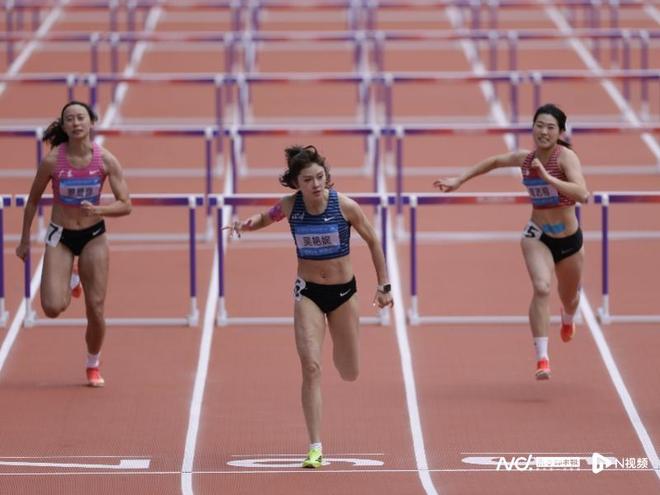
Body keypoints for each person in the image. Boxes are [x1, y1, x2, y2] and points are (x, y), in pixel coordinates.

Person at [226, 145, 393, 468]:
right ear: (296, 183)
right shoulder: (291, 206)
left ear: (326, 177)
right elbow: (266, 217)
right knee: (311, 367)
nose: (316, 184)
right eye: (307, 179)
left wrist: (383, 286)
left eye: (319, 177)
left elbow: (373, 240)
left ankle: (342, 353)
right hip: (309, 294)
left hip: (344, 294)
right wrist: (245, 225)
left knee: (349, 371)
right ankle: (315, 447)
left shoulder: (345, 206)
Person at [433, 103, 589, 380]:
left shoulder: (566, 158)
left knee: (570, 297)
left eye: (550, 127)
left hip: (568, 241)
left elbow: (582, 194)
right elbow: (494, 162)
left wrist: (548, 177)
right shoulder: (526, 159)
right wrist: (459, 180)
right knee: (542, 287)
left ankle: (567, 318)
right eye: (539, 125)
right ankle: (542, 358)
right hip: (538, 235)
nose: (543, 132)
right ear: (532, 128)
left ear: (560, 132)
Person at [15, 101, 131, 387]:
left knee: (96, 308)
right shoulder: (53, 161)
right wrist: (24, 240)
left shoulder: (106, 160)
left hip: (93, 236)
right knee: (53, 307)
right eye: (70, 119)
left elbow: (125, 204)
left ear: (91, 123)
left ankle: (93, 363)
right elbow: (32, 202)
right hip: (61, 236)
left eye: (81, 118)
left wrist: (100, 210)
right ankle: (72, 278)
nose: (76, 123)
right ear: (64, 126)